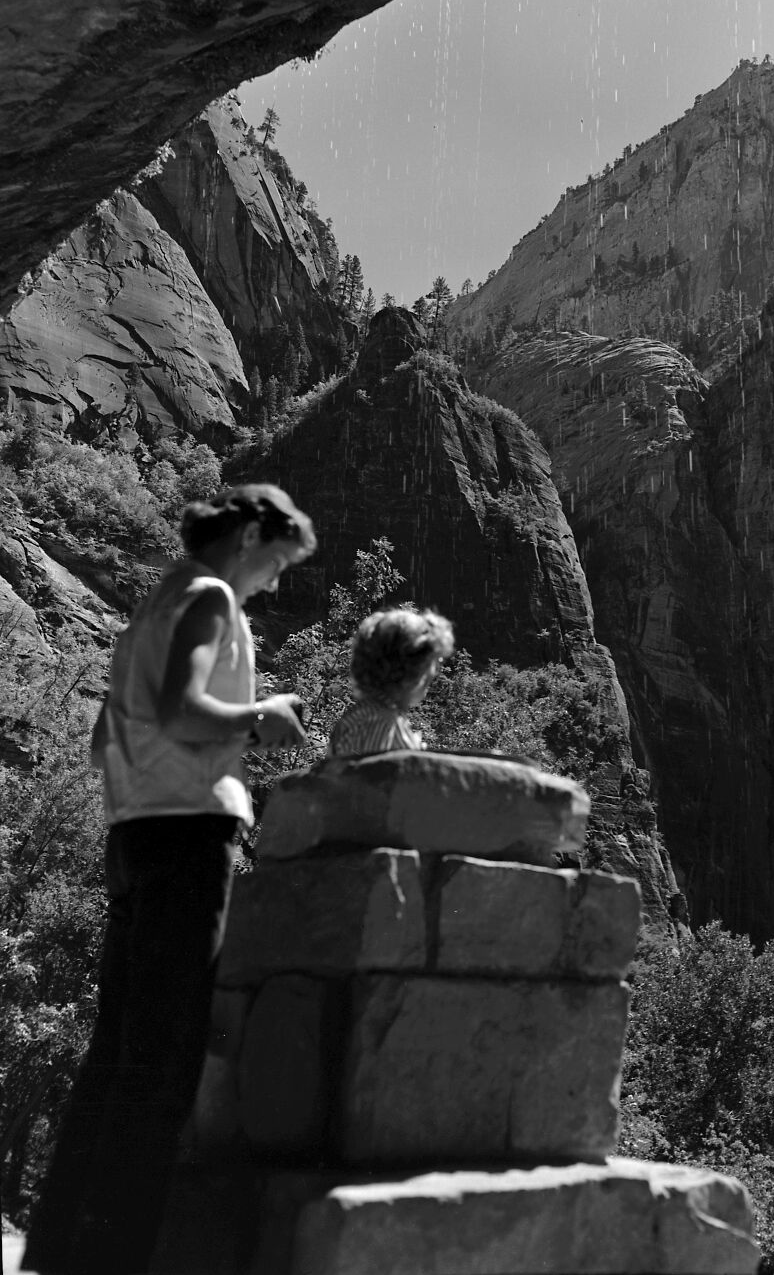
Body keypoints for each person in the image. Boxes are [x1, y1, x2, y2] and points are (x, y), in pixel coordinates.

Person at [22, 484, 316, 1275]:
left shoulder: (145, 612)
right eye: (280, 561)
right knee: (167, 1050)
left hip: (131, 832)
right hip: (189, 833)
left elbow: (99, 744)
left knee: (117, 1047)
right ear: (253, 533)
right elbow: (184, 708)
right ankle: (115, 1253)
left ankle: (60, 1245)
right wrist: (262, 712)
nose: (277, 581)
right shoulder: (211, 596)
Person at [329, 607, 453, 757]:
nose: (435, 671)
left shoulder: (363, 715)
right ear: (412, 669)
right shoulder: (382, 725)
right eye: (433, 662)